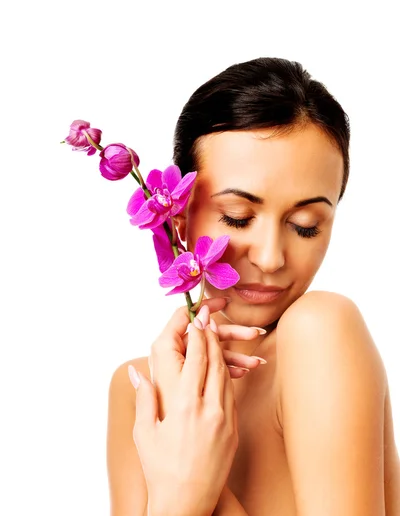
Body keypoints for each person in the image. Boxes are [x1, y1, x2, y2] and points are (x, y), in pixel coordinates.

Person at [107, 57, 400, 515]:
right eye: (238, 218)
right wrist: (182, 495)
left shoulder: (320, 331)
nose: (270, 257)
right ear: (177, 218)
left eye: (305, 226)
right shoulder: (139, 391)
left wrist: (194, 488)